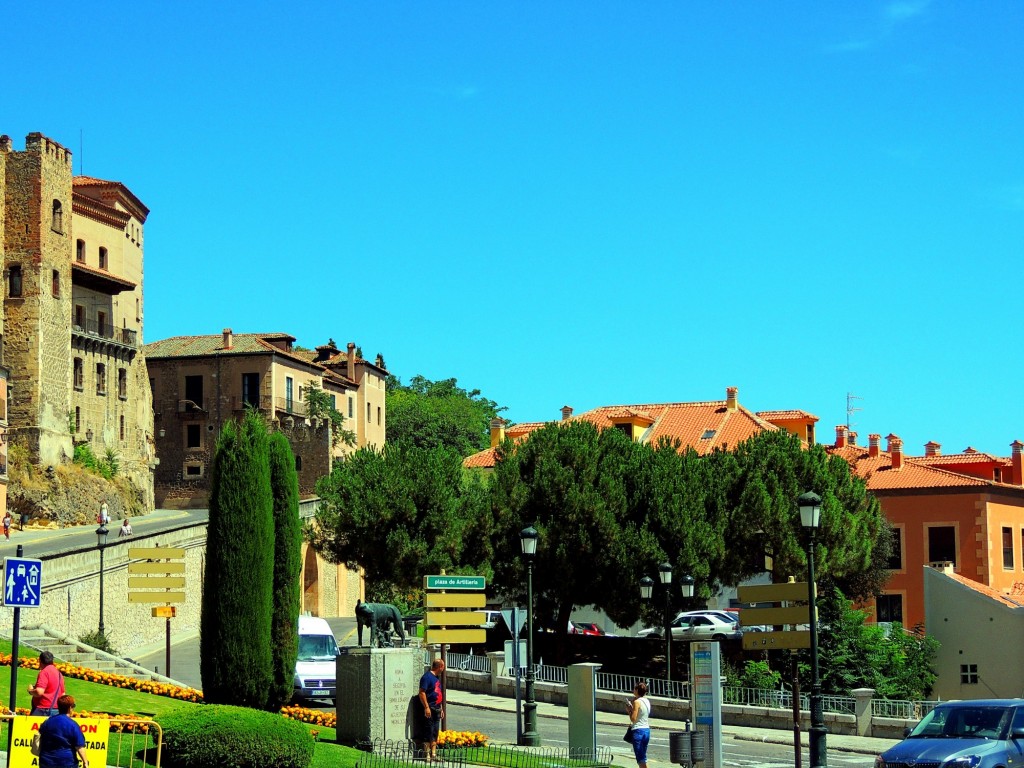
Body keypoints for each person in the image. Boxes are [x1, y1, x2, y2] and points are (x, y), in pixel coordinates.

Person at [35, 694, 88, 768]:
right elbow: (79, 746)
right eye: (73, 706)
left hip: (46, 761)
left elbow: (40, 736)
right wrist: (85, 762)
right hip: (66, 762)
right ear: (70, 708)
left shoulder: (48, 722)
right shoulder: (73, 725)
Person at [418, 658, 445, 762]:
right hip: (430, 708)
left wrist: (441, 709)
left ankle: (434, 754)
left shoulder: (437, 678)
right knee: (428, 731)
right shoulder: (426, 677)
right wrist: (426, 707)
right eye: (443, 666)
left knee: (435, 732)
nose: (443, 668)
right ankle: (426, 754)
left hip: (437, 709)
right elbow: (422, 692)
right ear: (439, 667)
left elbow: (439, 694)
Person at [28, 651, 65, 716]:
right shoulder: (59, 674)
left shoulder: (44, 672)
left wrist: (30, 691)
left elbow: (39, 692)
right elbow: (62, 694)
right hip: (56, 709)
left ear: (40, 661)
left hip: (42, 709)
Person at [625, 682, 651, 768]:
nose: (633, 690)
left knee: (641, 759)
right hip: (646, 730)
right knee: (643, 756)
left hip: (638, 731)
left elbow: (633, 719)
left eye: (634, 688)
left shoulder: (637, 702)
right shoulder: (647, 701)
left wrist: (629, 710)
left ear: (637, 690)